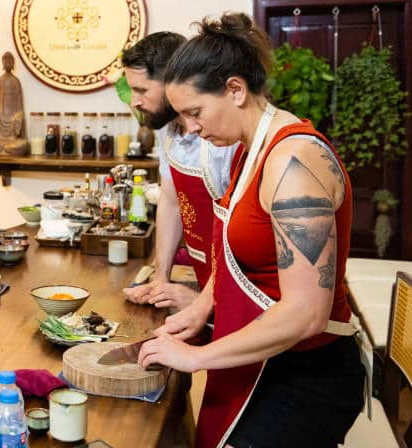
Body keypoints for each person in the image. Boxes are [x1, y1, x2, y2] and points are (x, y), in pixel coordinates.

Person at [138, 14, 366, 447]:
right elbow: (236, 256)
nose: (190, 128)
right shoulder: (251, 151)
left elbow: (306, 313)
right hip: (269, 359)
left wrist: (197, 357)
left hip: (307, 375)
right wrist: (201, 308)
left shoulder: (295, 162)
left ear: (235, 90)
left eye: (195, 112)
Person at [119, 32, 238, 310]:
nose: (134, 101)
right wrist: (161, 279)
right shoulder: (166, 129)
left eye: (142, 90)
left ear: (173, 82)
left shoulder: (222, 136)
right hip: (207, 277)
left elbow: (239, 232)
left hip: (238, 290)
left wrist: (205, 301)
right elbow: (171, 201)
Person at [0, 52, 30, 155]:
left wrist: (18, 119)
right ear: (2, 63)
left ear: (13, 64)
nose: (7, 63)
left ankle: (6, 149)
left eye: (10, 61)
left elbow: (20, 108)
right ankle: (5, 149)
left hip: (13, 134)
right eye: (5, 61)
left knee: (23, 145)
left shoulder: (16, 81)